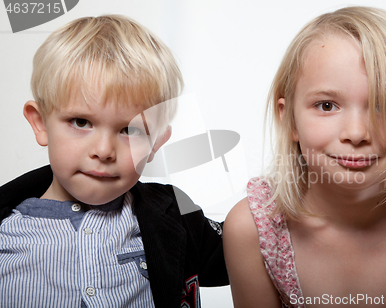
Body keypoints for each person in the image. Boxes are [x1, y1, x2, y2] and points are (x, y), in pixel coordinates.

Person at [224, 6, 386, 308]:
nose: (356, 133)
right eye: (327, 106)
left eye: (385, 106)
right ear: (289, 120)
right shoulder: (252, 227)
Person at [0, 15, 228, 308]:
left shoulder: (178, 219)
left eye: (130, 130)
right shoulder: (7, 233)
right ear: (41, 123)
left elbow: (259, 252)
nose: (104, 150)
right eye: (81, 122)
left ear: (156, 142)